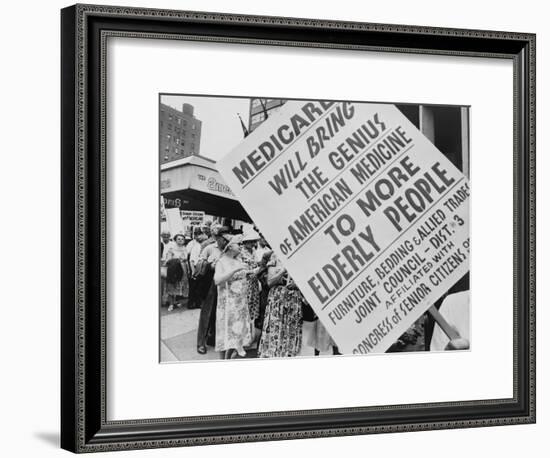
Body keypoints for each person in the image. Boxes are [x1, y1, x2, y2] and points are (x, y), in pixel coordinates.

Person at [214, 234, 254, 359]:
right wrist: (234, 270)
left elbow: (241, 276)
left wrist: (253, 271)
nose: (241, 246)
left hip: (240, 303)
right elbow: (217, 280)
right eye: (239, 244)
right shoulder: (221, 261)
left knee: (236, 333)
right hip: (227, 305)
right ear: (230, 246)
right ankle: (222, 360)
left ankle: (229, 357)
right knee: (225, 333)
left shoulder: (238, 260)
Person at [258, 254, 303, 358]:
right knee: (276, 330)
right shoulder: (274, 257)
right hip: (278, 299)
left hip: (294, 299)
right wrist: (283, 270)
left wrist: (297, 284)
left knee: (291, 330)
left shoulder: (299, 258)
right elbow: (270, 282)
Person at [196, 225, 229, 354]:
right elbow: (198, 264)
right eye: (223, 238)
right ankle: (201, 343)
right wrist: (209, 265)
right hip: (210, 284)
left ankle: (213, 338)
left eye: (228, 238)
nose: (225, 241)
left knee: (219, 313)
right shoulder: (209, 248)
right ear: (217, 237)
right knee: (207, 313)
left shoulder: (230, 249)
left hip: (224, 285)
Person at [240, 230, 261, 327]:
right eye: (251, 241)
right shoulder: (240, 252)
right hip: (245, 281)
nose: (253, 244)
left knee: (252, 304)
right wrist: (253, 270)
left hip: (253, 282)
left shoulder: (253, 252)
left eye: (254, 242)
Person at [164, 233, 190, 312]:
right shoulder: (171, 249)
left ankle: (176, 301)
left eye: (182, 239)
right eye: (178, 239)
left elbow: (186, 259)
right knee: (172, 285)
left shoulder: (185, 249)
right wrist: (177, 259)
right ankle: (171, 304)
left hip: (183, 269)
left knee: (180, 286)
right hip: (173, 270)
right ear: (175, 240)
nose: (180, 241)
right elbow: (167, 260)